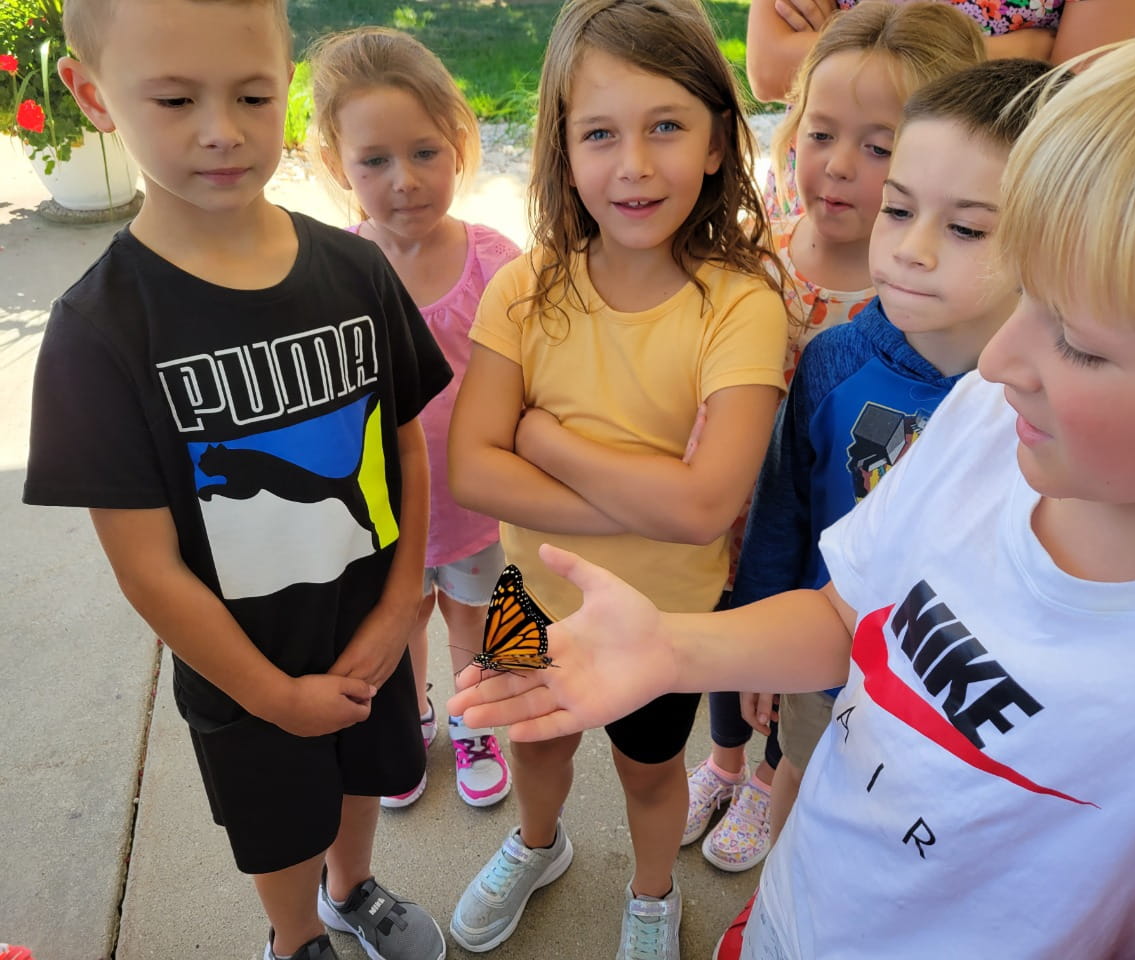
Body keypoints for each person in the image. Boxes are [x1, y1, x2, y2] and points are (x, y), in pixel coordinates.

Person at [449, 1, 1135, 957]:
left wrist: (548, 449)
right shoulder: (981, 422)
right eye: (1029, 293)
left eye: (1079, 343)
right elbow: (850, 617)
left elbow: (700, 506)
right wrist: (679, 651)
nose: (997, 357)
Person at [23, 3, 452, 959]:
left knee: (359, 779)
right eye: (174, 98)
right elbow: (147, 567)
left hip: (369, 628)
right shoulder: (99, 333)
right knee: (276, 821)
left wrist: (396, 610)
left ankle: (353, 889)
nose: (221, 129)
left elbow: (406, 444)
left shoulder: (355, 270)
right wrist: (269, 694)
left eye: (253, 95)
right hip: (242, 667)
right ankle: (295, 936)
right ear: (94, 98)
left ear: (285, 79)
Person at [444, 0, 790, 954]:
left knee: (649, 772)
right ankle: (537, 842)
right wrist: (638, 493)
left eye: (666, 126)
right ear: (562, 148)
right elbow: (474, 469)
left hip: (665, 623)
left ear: (719, 142)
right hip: (530, 596)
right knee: (536, 739)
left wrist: (547, 442)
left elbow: (703, 509)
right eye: (600, 133)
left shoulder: (742, 306)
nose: (633, 164)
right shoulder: (527, 286)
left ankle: (649, 895)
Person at [709, 57, 1052, 956]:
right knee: (799, 770)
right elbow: (784, 509)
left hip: (949, 701)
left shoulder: (1048, 412)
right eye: (899, 209)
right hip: (824, 649)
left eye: (968, 227)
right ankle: (773, 911)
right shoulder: (831, 361)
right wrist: (757, 640)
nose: (912, 247)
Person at [686, 0, 985, 875]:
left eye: (881, 146)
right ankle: (726, 765)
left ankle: (767, 775)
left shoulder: (927, 319)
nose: (840, 167)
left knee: (806, 701)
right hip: (742, 518)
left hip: (847, 556)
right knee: (731, 643)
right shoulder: (754, 260)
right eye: (822, 132)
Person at [308, 26, 519, 811]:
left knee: (476, 619)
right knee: (398, 624)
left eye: (425, 152)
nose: (404, 180)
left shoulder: (497, 265)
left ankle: (472, 720)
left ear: (460, 143)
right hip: (378, 513)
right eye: (375, 161)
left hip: (473, 508)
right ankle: (412, 714)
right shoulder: (331, 271)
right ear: (337, 166)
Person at [749, 0, 1135, 219]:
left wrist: (852, 46)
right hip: (813, 201)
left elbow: (1073, 95)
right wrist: (1018, 53)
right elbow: (770, 68)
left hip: (970, 212)